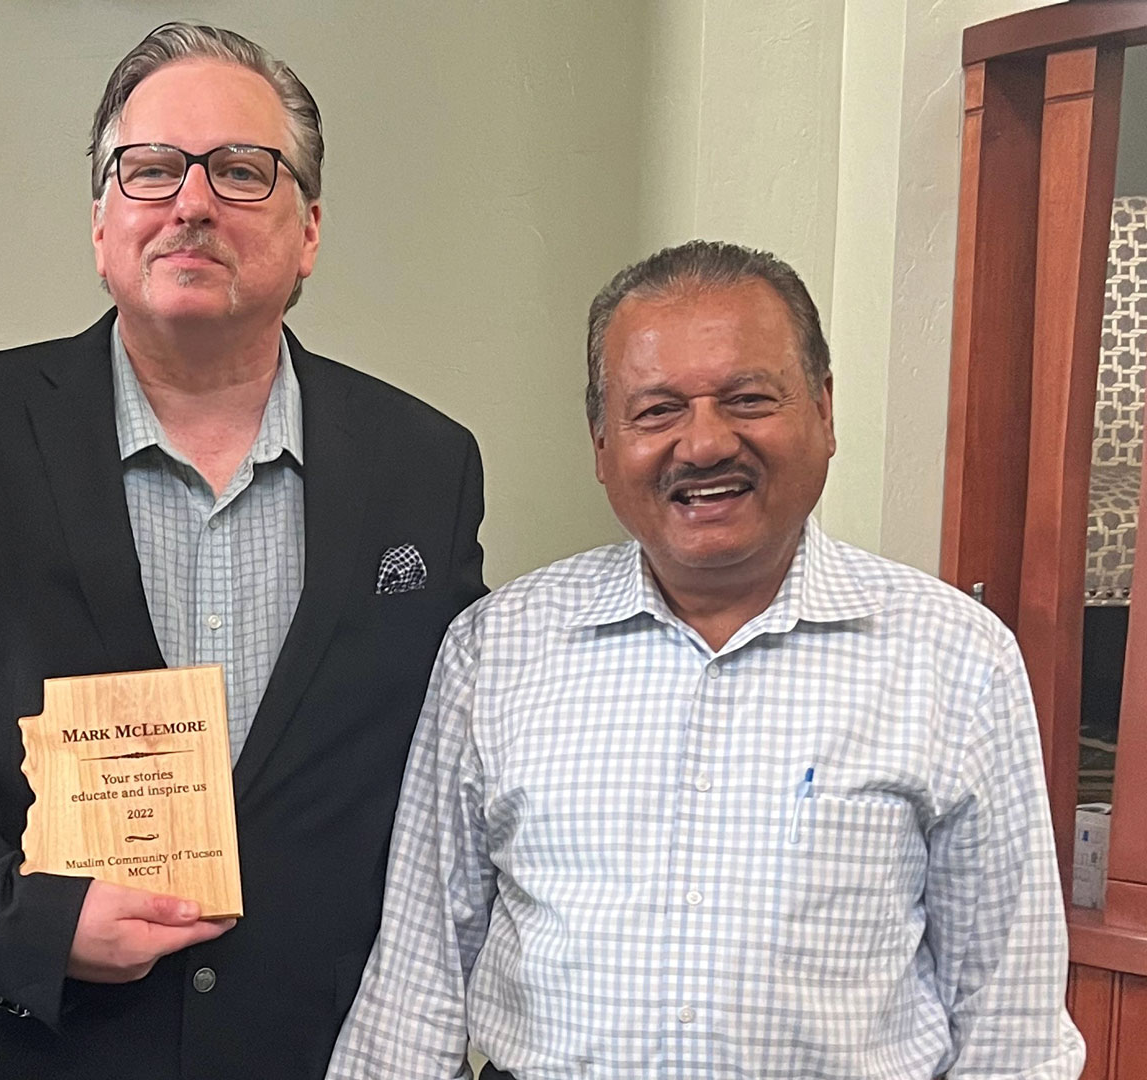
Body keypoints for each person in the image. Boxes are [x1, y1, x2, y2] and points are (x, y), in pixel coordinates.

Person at [0, 22, 485, 1080]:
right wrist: (28, 924)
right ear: (102, 222)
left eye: (241, 170)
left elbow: (445, 770)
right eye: (151, 171)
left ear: (309, 229)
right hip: (36, 1042)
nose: (192, 203)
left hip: (325, 1051)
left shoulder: (425, 464)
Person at [328, 239, 1084, 1079]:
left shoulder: (956, 659)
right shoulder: (496, 649)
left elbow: (1008, 1021)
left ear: (825, 412)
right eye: (657, 411)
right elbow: (417, 979)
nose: (705, 444)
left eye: (749, 398)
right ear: (602, 443)